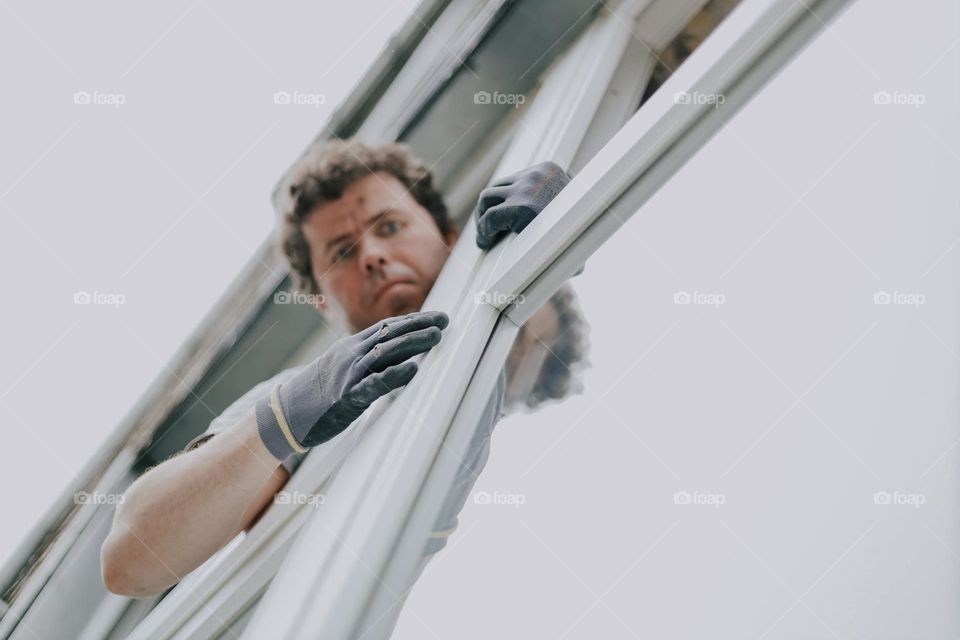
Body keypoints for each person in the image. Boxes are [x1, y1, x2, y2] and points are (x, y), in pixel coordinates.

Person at [100, 139, 584, 602]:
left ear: (449, 235)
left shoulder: (516, 337)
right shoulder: (299, 401)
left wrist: (563, 234)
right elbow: (131, 561)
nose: (372, 256)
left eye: (390, 227)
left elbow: (539, 348)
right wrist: (284, 417)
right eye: (342, 253)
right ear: (319, 303)